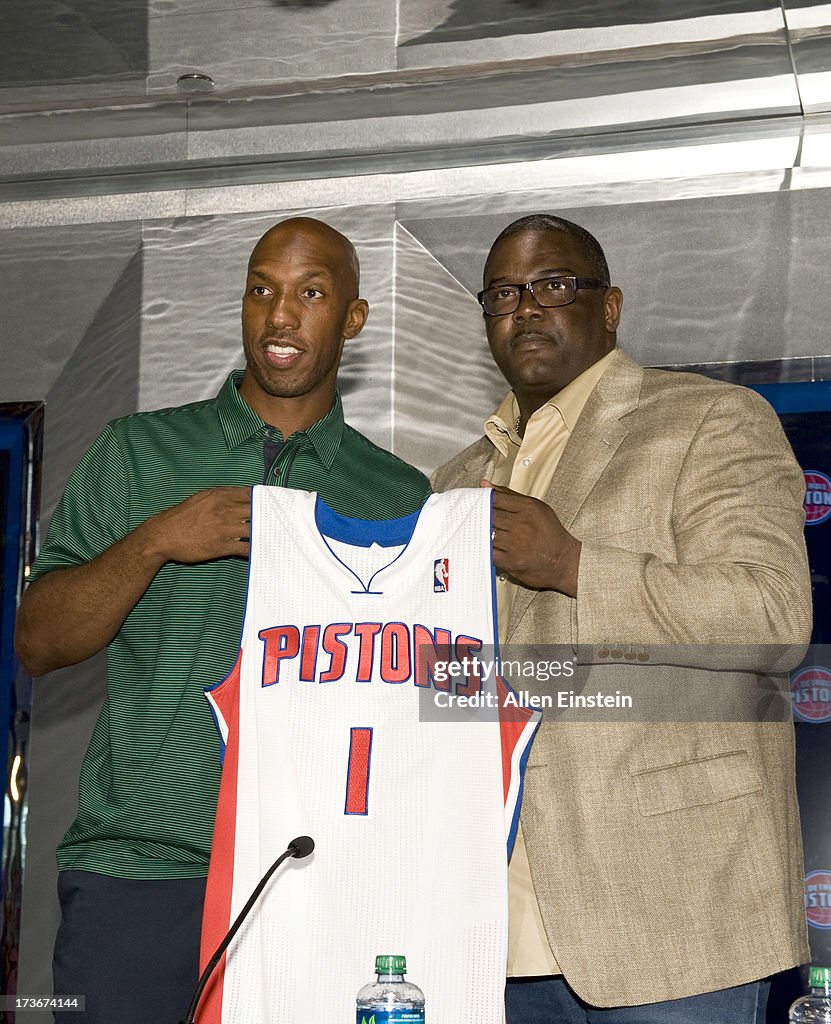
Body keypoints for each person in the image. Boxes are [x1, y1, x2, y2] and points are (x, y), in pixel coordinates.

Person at [14, 216, 431, 1024]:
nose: (280, 316)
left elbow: (409, 709)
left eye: (311, 294)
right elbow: (38, 640)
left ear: (352, 319)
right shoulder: (139, 452)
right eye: (261, 290)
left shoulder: (396, 496)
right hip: (139, 878)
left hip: (316, 881)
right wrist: (157, 540)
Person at [431, 213, 812, 1023]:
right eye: (503, 293)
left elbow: (771, 610)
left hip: (669, 907)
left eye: (553, 285)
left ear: (609, 308)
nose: (526, 308)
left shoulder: (708, 419)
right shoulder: (453, 481)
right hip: (487, 925)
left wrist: (574, 565)